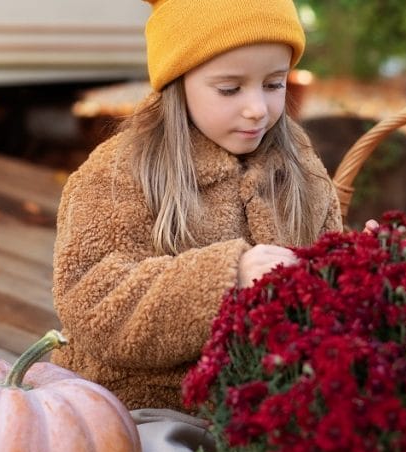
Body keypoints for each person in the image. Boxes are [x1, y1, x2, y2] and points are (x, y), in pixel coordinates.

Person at [51, 0, 343, 413]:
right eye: (230, 88)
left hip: (265, 407)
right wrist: (227, 278)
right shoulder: (121, 171)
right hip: (139, 409)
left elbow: (319, 278)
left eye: (274, 84)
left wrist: (350, 270)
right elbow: (93, 301)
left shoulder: (299, 169)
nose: (257, 108)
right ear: (178, 81)